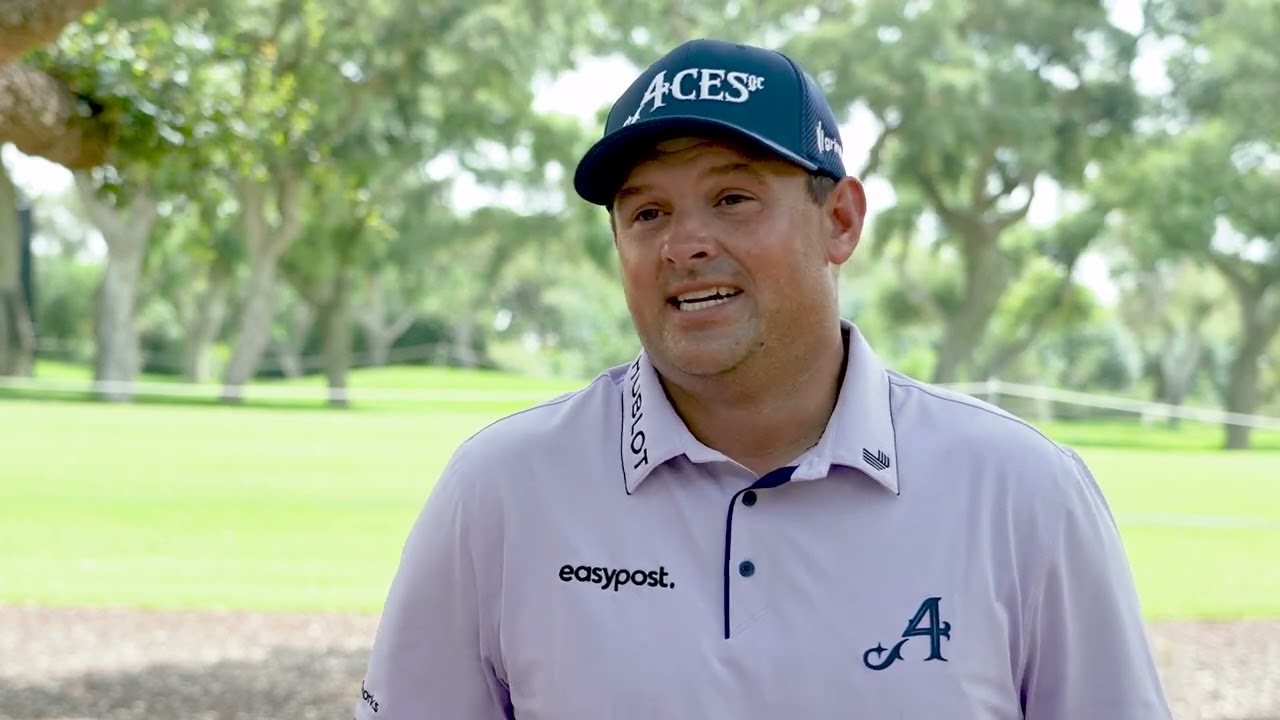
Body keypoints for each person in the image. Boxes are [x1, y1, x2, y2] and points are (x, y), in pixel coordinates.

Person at [354, 38, 1172, 719]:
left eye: (733, 198)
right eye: (647, 213)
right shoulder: (501, 489)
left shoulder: (1023, 492)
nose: (684, 244)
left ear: (841, 221)